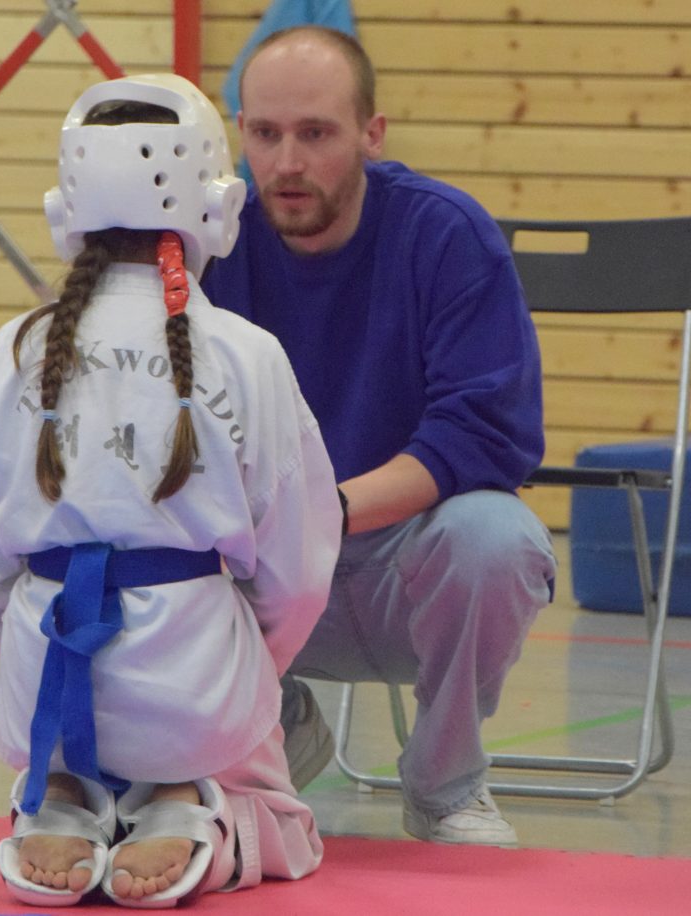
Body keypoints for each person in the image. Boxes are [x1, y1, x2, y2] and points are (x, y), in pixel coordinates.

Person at [0, 73, 341, 908]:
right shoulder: (247, 354)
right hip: (196, 685)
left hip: (43, 672)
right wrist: (247, 668)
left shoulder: (9, 350)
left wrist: (28, 643)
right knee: (277, 800)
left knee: (61, 695)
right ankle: (194, 803)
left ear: (66, 210)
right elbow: (298, 575)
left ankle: (61, 791)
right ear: (218, 205)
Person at [202, 26, 558, 848]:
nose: (287, 162)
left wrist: (321, 511)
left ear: (372, 133)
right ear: (241, 133)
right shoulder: (210, 248)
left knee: (497, 538)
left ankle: (445, 783)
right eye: (265, 134)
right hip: (268, 575)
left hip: (403, 564)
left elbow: (485, 433)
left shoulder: (446, 233)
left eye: (316, 133)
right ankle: (273, 725)